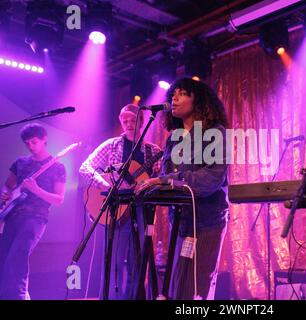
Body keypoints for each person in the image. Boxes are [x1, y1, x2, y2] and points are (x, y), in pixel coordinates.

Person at [136, 78, 229, 300]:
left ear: (198, 99)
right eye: (172, 94)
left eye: (182, 93)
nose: (174, 98)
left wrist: (167, 180)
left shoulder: (215, 132)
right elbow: (167, 177)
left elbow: (212, 178)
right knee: (179, 289)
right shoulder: (173, 139)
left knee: (197, 290)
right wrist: (152, 184)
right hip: (181, 222)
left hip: (207, 221)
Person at [79, 104, 162, 299]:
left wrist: (153, 181)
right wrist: (105, 185)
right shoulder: (111, 145)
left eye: (132, 120)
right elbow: (85, 167)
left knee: (138, 263)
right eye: (124, 121)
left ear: (141, 122)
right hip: (116, 210)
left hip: (142, 211)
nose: (128, 124)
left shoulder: (154, 151)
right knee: (113, 264)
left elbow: (160, 179)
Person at [0, 123, 66, 300]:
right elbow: (8, 185)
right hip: (13, 215)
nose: (31, 146)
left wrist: (36, 189)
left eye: (34, 142)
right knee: (4, 257)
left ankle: (20, 297)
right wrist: (5, 194)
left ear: (44, 140)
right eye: (27, 143)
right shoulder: (20, 163)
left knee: (17, 256)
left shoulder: (57, 167)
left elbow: (59, 199)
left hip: (36, 218)